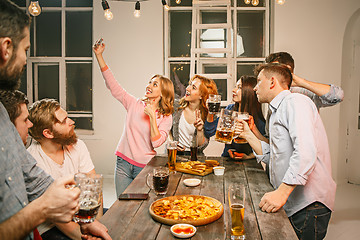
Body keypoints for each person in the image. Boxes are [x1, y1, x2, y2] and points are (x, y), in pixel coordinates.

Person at [0, 1, 111, 239]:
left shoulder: (2, 114)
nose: (26, 60)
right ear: (6, 48)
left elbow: (33, 178)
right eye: (27, 50)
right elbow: (43, 203)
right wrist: (42, 209)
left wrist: (87, 222)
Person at [238, 63, 336, 240]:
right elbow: (274, 156)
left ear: (272, 82)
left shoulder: (295, 102)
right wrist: (248, 134)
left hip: (309, 205)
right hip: (293, 202)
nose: (254, 87)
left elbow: (306, 151)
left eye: (259, 81)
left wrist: (281, 193)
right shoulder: (275, 112)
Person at [93, 40, 174, 197]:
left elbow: (156, 143)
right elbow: (113, 85)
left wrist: (151, 117)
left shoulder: (166, 117)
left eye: (155, 84)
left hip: (144, 167)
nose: (149, 85)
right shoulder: (134, 104)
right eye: (150, 82)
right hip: (123, 163)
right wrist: (99, 56)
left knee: (141, 208)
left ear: (164, 92)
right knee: (122, 206)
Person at [27, 98, 104, 240]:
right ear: (48, 133)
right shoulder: (32, 161)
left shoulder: (77, 145)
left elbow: (94, 189)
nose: (72, 122)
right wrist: (86, 236)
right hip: (52, 226)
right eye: (64, 121)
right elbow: (55, 216)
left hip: (83, 214)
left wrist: (97, 223)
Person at [203, 76, 266, 160]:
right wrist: (210, 113)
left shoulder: (257, 120)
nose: (233, 90)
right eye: (235, 86)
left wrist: (248, 157)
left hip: (250, 165)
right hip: (227, 159)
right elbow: (209, 132)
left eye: (239, 87)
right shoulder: (230, 109)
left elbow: (267, 149)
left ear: (249, 91)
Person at [265, 52, 344, 110]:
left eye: (274, 69)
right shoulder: (272, 95)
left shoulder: (304, 93)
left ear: (288, 69)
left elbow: (338, 95)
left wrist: (302, 82)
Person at [171, 75, 218, 156]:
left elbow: (202, 145)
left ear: (202, 95)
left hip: (195, 158)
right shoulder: (175, 106)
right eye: (189, 84)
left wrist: (199, 130)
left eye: (193, 88)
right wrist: (172, 143)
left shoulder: (209, 116)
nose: (187, 88)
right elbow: (166, 128)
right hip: (175, 156)